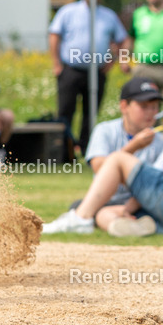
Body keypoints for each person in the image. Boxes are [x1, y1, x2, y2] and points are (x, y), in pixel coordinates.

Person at [42, 77, 163, 237]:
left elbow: (152, 186)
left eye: (155, 107)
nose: (151, 113)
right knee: (102, 214)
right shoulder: (105, 130)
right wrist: (134, 147)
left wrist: (128, 208)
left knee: (116, 160)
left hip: (139, 201)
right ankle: (133, 228)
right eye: (144, 107)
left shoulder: (159, 139)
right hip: (109, 200)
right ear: (124, 106)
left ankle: (81, 219)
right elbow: (99, 167)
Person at [49, 0, 128, 152]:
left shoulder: (109, 16)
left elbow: (122, 40)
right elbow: (54, 35)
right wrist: (56, 64)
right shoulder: (68, 11)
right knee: (65, 111)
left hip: (96, 72)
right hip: (71, 70)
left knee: (90, 113)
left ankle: (86, 149)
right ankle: (63, 151)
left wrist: (113, 62)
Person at [121, 0, 163, 88]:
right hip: (144, 68)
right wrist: (124, 59)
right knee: (144, 103)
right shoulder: (138, 14)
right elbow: (131, 38)